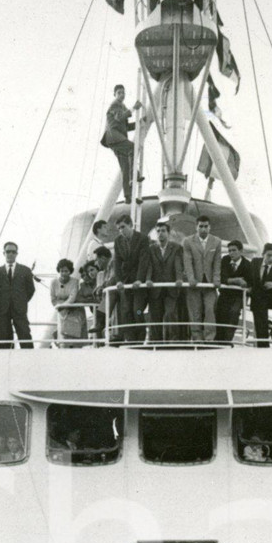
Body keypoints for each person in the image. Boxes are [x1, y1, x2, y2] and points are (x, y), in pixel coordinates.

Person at [109, 213, 150, 343]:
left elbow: (144, 260)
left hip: (138, 282)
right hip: (126, 282)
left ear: (131, 225)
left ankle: (140, 339)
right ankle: (131, 340)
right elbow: (117, 262)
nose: (121, 231)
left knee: (137, 311)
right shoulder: (118, 241)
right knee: (126, 312)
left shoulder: (142, 239)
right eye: (119, 228)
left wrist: (140, 279)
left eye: (123, 227)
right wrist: (119, 280)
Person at [182, 215, 222, 344]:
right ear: (196, 227)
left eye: (205, 226)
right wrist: (191, 278)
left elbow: (217, 263)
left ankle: (209, 338)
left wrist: (216, 279)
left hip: (209, 284)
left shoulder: (216, 242)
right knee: (195, 312)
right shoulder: (188, 241)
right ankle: (197, 339)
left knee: (210, 310)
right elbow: (187, 261)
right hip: (194, 283)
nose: (203, 229)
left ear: (209, 227)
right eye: (201, 226)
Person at [145, 219, 185, 346]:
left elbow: (178, 264)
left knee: (170, 313)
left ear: (168, 233)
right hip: (156, 288)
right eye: (158, 231)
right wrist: (148, 279)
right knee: (155, 315)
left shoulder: (176, 248)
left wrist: (179, 279)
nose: (160, 234)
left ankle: (172, 340)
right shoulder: (151, 249)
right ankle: (154, 341)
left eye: (163, 231)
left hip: (170, 287)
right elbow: (149, 265)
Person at [102, 83, 141, 201]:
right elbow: (119, 118)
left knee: (125, 166)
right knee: (133, 148)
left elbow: (126, 126)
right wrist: (134, 108)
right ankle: (134, 175)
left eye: (123, 93)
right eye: (119, 93)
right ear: (115, 94)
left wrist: (139, 123)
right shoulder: (115, 105)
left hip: (117, 139)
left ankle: (128, 196)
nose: (122, 95)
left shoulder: (122, 107)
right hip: (114, 137)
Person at [0, 241, 36, 350]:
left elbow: (31, 290)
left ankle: (29, 361)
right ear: (4, 253)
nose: (10, 254)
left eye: (13, 252)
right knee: (4, 339)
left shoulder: (25, 270)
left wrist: (21, 301)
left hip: (20, 309)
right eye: (8, 251)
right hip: (3, 309)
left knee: (25, 336)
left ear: (17, 253)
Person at [248, 242, 272, 346]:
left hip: (271, 298)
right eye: (269, 255)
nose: (271, 258)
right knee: (260, 327)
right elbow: (248, 278)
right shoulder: (255, 262)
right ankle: (263, 347)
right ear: (263, 254)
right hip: (257, 298)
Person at [215, 238, 249, 344]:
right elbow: (222, 278)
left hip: (238, 297)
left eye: (234, 250)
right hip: (225, 295)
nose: (231, 253)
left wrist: (230, 281)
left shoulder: (247, 265)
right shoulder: (225, 260)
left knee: (234, 313)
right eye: (229, 250)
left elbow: (248, 282)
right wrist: (237, 280)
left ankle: (227, 340)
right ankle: (218, 340)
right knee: (219, 312)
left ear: (241, 251)